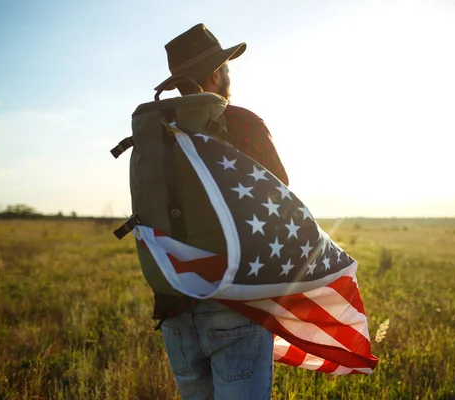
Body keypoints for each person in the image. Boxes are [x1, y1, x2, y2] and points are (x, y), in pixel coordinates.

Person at [152, 23, 289, 400]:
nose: (229, 75)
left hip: (173, 304)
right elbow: (281, 197)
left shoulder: (155, 130)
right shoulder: (242, 122)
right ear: (215, 73)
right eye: (227, 67)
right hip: (235, 298)